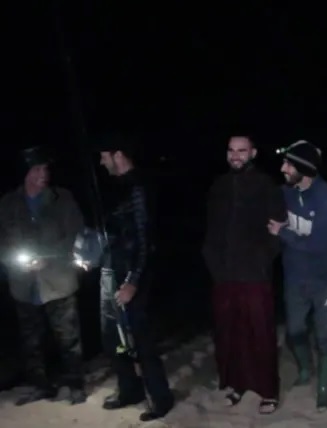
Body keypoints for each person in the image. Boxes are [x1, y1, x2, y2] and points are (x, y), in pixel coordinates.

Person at [202, 136, 286, 414]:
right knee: (230, 333)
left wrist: (262, 260)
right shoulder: (219, 185)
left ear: (253, 153)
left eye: (242, 151)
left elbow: (277, 228)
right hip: (224, 275)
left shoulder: (266, 185)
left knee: (260, 333)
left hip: (254, 274)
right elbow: (211, 229)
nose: (236, 155)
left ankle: (268, 390)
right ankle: (237, 384)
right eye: (231, 150)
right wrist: (213, 263)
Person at [95, 135, 174, 422]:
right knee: (112, 337)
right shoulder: (114, 188)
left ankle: (161, 398)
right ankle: (129, 389)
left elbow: (145, 240)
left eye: (104, 155)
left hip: (134, 275)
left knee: (142, 340)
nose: (101, 162)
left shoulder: (139, 188)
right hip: (112, 270)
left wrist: (133, 281)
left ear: (118, 155)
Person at [0, 146, 86, 405]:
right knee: (31, 341)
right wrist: (13, 260)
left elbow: (76, 234)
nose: (43, 174)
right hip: (24, 284)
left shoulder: (62, 198)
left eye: (45, 169)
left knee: (68, 337)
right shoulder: (8, 204)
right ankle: (40, 385)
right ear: (24, 173)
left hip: (58, 280)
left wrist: (48, 257)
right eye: (36, 169)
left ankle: (75, 383)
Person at [267, 140, 327, 412]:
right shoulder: (285, 193)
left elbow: (318, 245)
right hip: (295, 278)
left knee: (326, 335)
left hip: (326, 282)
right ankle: (304, 368)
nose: (283, 168)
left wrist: (283, 232)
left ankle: (324, 389)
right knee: (294, 331)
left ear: (304, 169)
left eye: (289, 164)